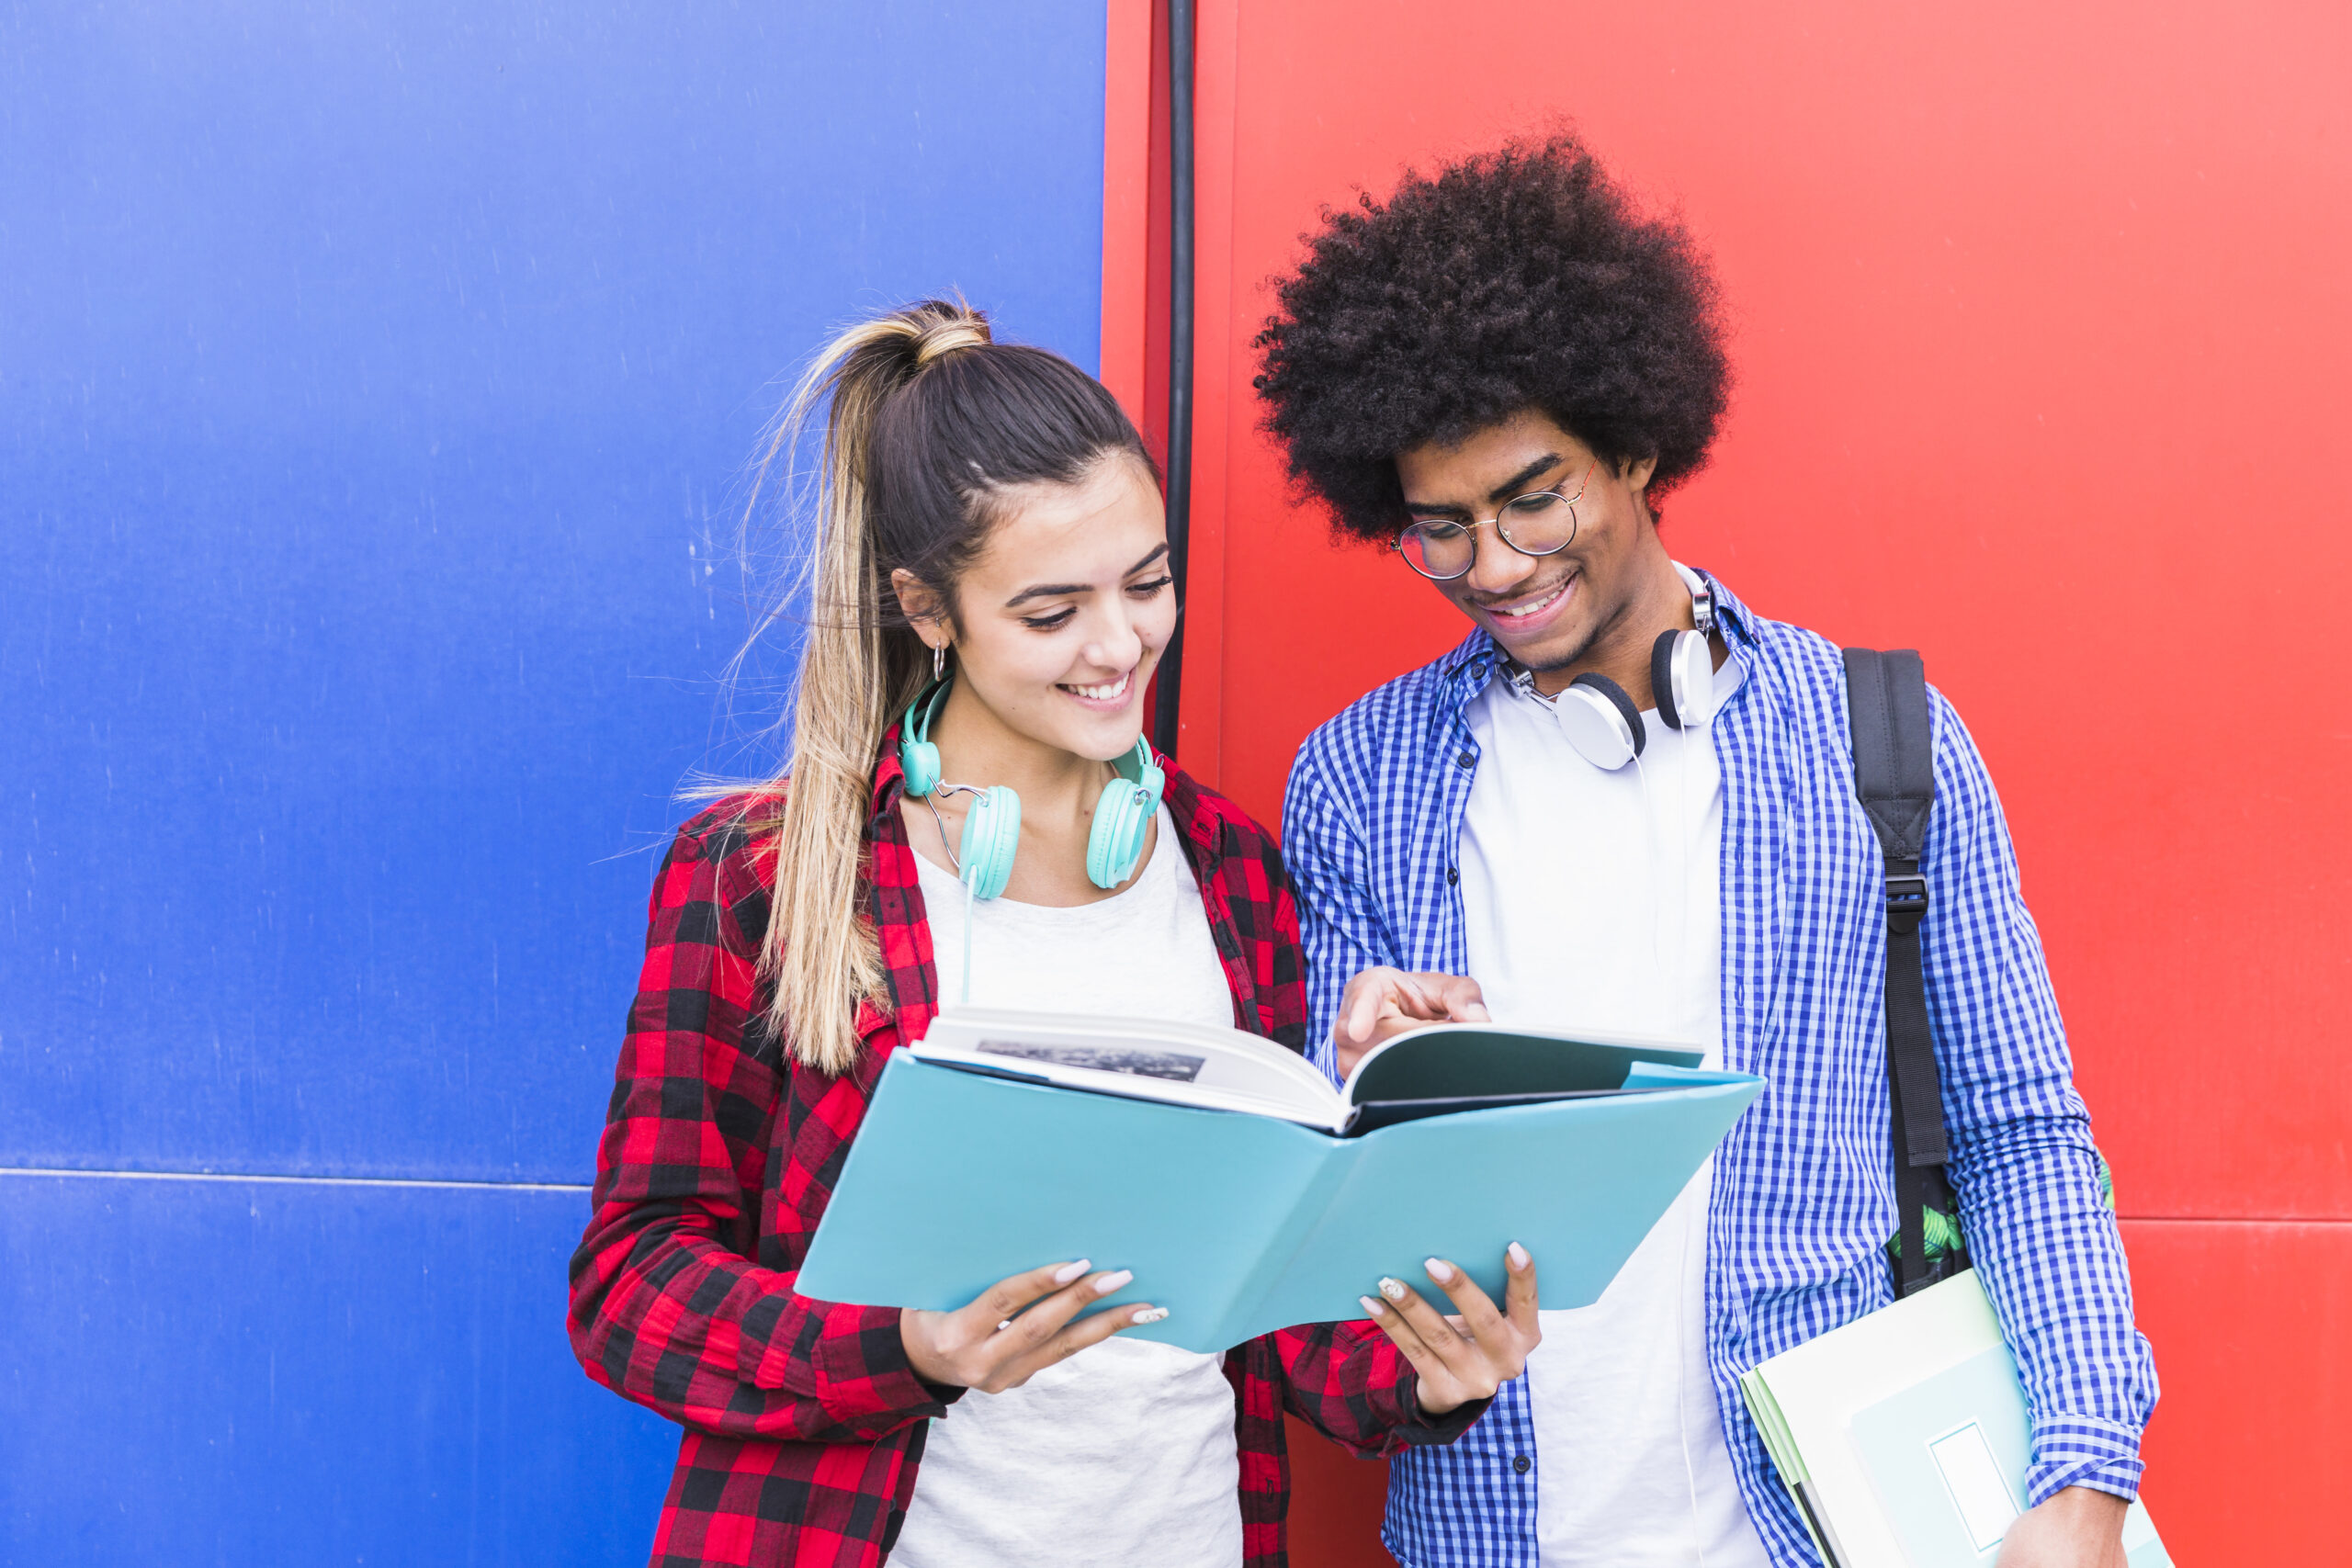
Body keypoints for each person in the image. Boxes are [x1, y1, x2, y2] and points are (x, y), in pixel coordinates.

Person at [1253, 137, 2157, 1568]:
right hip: (1496, 1530)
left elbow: (2020, 1134)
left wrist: (2085, 1470)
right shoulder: (1360, 782)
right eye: (1441, 529)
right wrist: (1353, 1083)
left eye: (1532, 498)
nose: (1490, 565)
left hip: (1823, 1532)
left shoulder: (1881, 746)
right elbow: (1314, 1235)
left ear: (1638, 445)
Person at [567, 299, 1542, 1568]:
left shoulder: (1233, 871)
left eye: (1147, 583)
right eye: (1050, 612)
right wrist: (902, 1348)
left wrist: (1430, 1369)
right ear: (928, 608)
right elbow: (631, 1288)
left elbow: (1267, 1311)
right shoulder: (763, 876)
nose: (1119, 644)